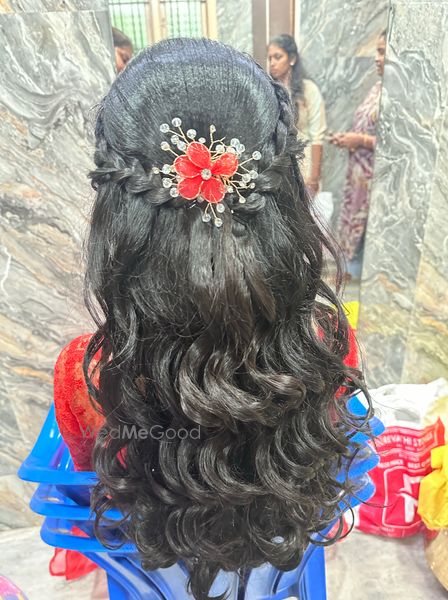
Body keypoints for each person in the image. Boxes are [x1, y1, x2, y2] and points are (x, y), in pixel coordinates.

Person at [53, 38, 371, 599]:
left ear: (116, 214)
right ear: (284, 195)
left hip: (158, 572)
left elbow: (95, 483)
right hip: (280, 559)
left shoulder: (86, 373)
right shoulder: (326, 346)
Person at [330, 31, 387, 277]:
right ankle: (349, 274)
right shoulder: (378, 87)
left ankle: (355, 277)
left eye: (382, 52)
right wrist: (349, 139)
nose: (376, 58)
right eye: (377, 51)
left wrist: (360, 140)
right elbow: (368, 129)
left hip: (377, 182)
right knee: (353, 233)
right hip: (359, 178)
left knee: (365, 235)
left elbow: (396, 145)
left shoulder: (398, 94)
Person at [267, 34, 326, 196]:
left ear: (292, 59)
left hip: (304, 167)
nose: (272, 63)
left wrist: (314, 179)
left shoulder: (309, 90)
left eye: (278, 57)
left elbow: (317, 136)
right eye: (270, 58)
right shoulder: (269, 90)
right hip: (277, 167)